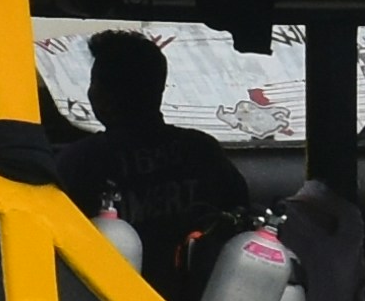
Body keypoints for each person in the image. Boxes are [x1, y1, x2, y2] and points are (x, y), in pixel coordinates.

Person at [63, 32, 256, 275]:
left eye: (94, 82)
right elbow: (241, 215)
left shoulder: (81, 161)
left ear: (102, 95)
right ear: (160, 89)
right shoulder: (202, 150)